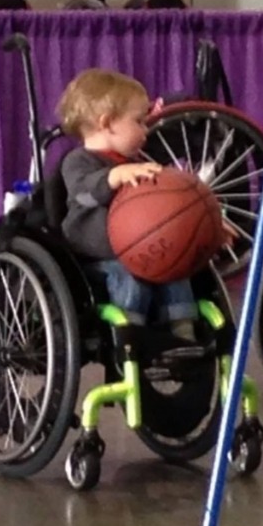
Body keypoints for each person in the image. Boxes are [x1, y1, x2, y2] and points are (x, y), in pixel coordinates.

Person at [57, 68, 202, 343]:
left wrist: (208, 224)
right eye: (139, 121)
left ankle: (183, 331)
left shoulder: (137, 163)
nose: (146, 130)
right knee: (132, 277)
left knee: (175, 267)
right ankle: (131, 335)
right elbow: (82, 195)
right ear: (108, 123)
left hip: (141, 249)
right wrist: (112, 178)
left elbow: (172, 205)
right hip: (99, 257)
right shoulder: (79, 161)